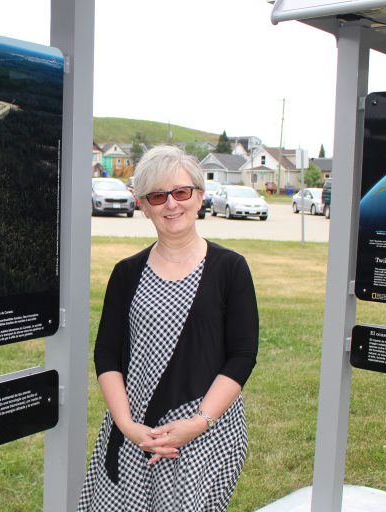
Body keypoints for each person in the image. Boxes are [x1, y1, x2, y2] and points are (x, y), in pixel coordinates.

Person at [77, 145, 259, 511]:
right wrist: (127, 425)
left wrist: (199, 422)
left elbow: (242, 356)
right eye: (158, 196)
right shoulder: (127, 273)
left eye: (181, 192)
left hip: (205, 432)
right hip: (135, 429)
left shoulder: (230, 268)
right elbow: (107, 354)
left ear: (199, 197)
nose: (171, 204)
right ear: (144, 206)